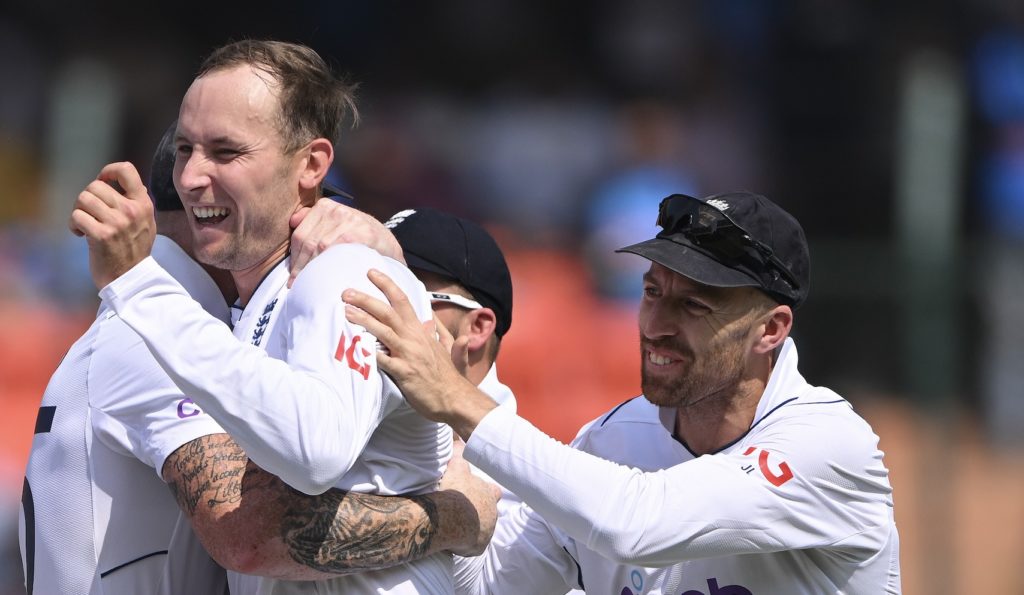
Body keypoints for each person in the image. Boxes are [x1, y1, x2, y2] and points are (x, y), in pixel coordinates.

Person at [67, 39, 494, 593]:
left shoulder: (343, 271)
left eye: (226, 152)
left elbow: (313, 450)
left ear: (312, 163)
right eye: (185, 149)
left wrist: (138, 285)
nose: (192, 176)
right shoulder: (242, 306)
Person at [343, 191, 903, 593]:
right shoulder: (611, 440)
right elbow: (491, 586)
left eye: (694, 306)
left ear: (771, 329)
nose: (655, 324)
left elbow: (636, 525)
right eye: (653, 292)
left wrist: (458, 403)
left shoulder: (826, 444)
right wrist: (439, 465)